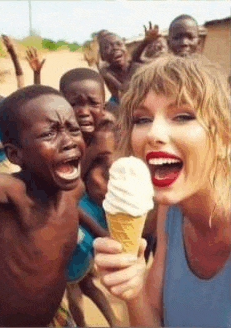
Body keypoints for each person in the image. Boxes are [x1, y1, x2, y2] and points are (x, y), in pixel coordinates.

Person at [94, 54, 230, 327]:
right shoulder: (171, 212)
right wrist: (133, 293)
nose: (153, 133)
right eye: (141, 119)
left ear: (224, 139)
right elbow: (154, 320)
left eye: (182, 116)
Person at [0, 85, 86, 327]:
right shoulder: (12, 192)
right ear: (15, 155)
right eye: (49, 134)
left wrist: (104, 236)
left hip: (55, 316)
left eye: (73, 128)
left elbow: (73, 211)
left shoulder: (75, 188)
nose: (69, 141)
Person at [66, 117, 118, 327]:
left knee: (77, 290)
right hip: (76, 255)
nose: (109, 182)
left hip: (80, 259)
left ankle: (112, 323)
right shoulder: (79, 195)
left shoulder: (109, 207)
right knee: (84, 288)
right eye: (99, 161)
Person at [59, 67, 105, 148]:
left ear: (104, 106)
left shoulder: (114, 143)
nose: (84, 112)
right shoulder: (57, 147)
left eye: (93, 103)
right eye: (73, 104)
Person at [98, 31, 140, 110]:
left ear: (126, 48)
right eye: (107, 47)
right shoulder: (106, 72)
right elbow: (123, 89)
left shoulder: (137, 66)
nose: (115, 48)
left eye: (119, 44)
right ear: (102, 56)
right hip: (118, 104)